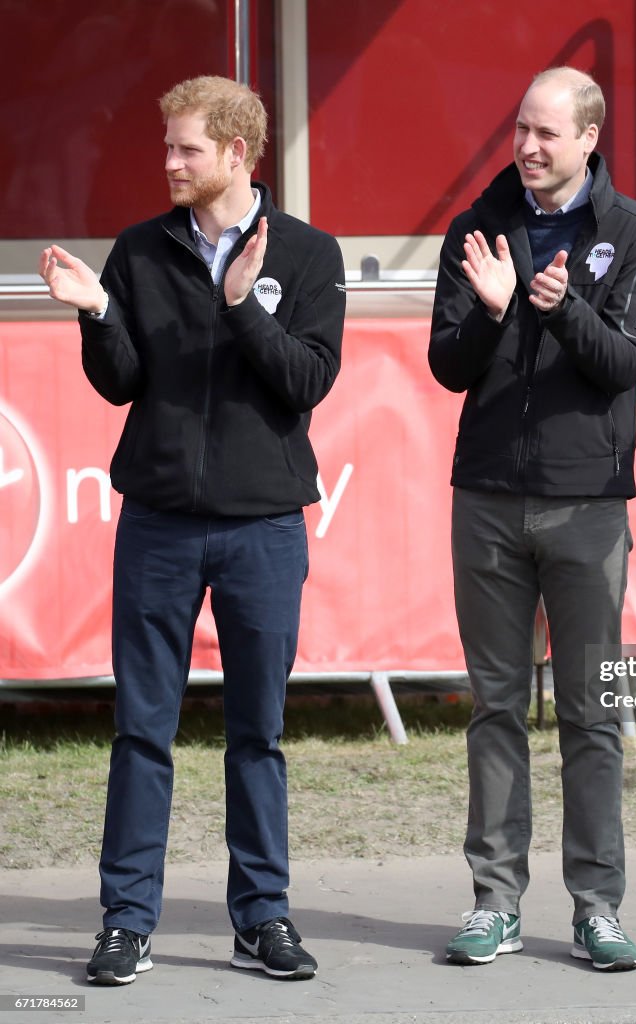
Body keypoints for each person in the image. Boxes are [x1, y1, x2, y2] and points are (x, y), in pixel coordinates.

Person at [39, 75, 346, 985]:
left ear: (238, 155)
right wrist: (96, 312)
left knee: (259, 732)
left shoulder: (310, 252)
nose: (169, 162)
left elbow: (305, 383)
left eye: (187, 149)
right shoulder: (138, 250)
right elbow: (121, 381)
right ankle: (126, 919)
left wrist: (245, 304)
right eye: (167, 146)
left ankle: (263, 917)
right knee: (141, 730)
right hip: (159, 525)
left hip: (264, 529)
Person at [428, 66, 636, 971]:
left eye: (545, 134)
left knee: (590, 714)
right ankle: (493, 899)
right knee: (494, 706)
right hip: (487, 497)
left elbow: (621, 362)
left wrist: (560, 307)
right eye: (519, 129)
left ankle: (596, 905)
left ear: (587, 139)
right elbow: (447, 364)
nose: (526, 148)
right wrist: (493, 315)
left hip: (588, 509)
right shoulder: (474, 228)